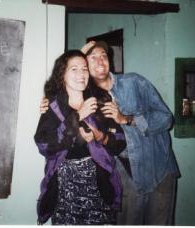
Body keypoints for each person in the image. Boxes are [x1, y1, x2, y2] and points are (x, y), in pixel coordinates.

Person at [40, 41, 180, 225]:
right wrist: (48, 99)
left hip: (159, 168)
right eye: (92, 58)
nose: (100, 62)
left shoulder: (134, 82)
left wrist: (127, 119)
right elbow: (64, 81)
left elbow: (166, 118)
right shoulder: (91, 97)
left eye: (103, 56)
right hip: (126, 177)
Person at [34, 50, 126, 225]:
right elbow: (44, 145)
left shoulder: (100, 101)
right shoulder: (53, 106)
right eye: (74, 69)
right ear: (62, 75)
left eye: (84, 69)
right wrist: (77, 116)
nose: (81, 74)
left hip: (99, 185)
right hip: (64, 187)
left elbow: (119, 142)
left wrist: (99, 136)